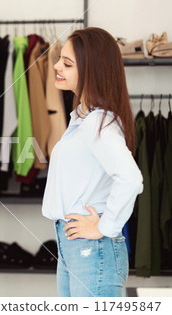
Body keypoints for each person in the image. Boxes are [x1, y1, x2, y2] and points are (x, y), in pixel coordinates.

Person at [41, 27, 143, 297]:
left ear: (92, 69)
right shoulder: (82, 119)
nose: (55, 65)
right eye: (60, 59)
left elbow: (131, 179)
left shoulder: (98, 122)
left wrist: (104, 227)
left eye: (67, 63)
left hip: (91, 250)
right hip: (74, 246)